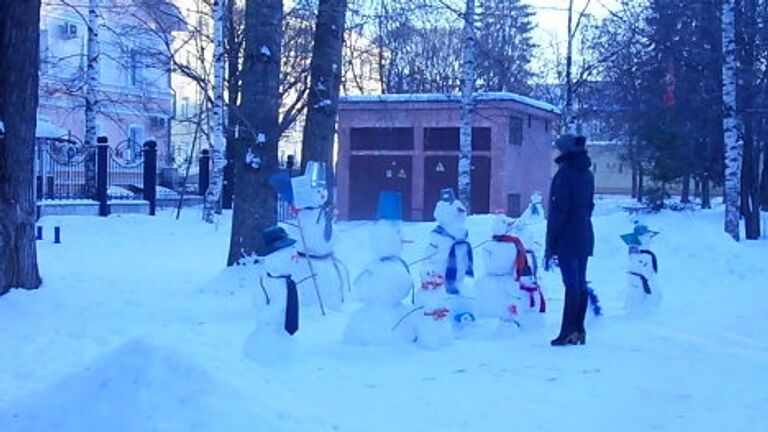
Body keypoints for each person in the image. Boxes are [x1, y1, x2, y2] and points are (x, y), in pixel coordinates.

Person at [544, 133, 595, 346]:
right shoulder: (587, 174)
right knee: (580, 282)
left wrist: (551, 241)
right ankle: (579, 330)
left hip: (567, 235)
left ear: (564, 151)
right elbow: (590, 204)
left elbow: (559, 210)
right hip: (584, 232)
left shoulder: (564, 175)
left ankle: (567, 331)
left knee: (571, 284)